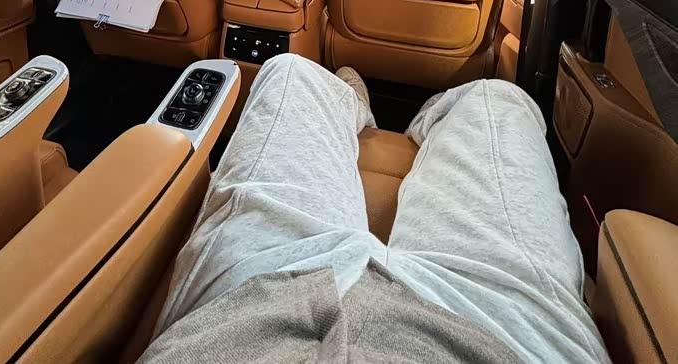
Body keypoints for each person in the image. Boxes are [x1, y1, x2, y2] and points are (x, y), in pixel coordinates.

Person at [140, 58, 610, 363]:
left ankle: (354, 106)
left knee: (290, 69)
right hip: (503, 334)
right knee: (497, 98)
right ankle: (425, 120)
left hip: (244, 317)